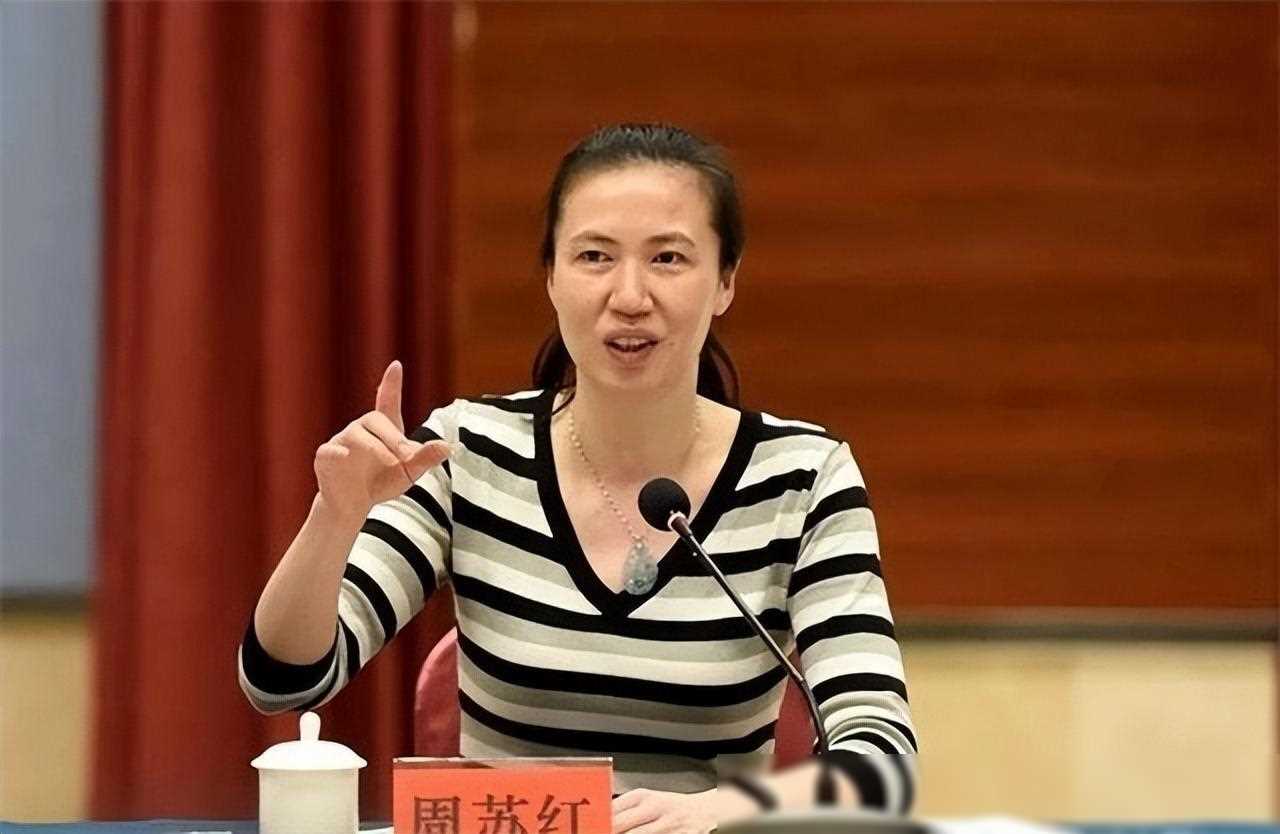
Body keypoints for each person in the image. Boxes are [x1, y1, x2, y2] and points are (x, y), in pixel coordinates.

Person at [239, 123, 918, 831]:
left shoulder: (802, 478)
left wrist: (720, 810)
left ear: (725, 282)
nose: (630, 295)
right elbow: (283, 681)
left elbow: (883, 765)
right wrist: (334, 516)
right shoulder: (468, 453)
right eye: (595, 256)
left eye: (668, 258)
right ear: (552, 278)